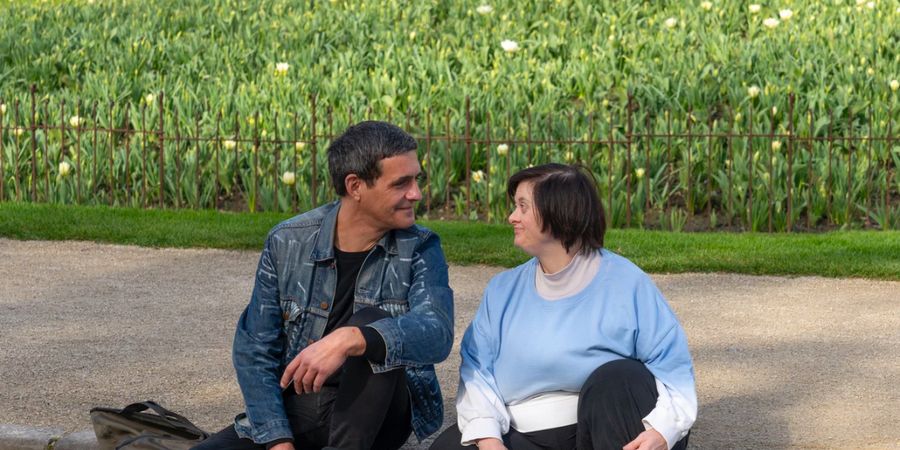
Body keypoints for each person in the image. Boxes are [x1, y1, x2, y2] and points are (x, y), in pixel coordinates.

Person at [193, 121, 454, 450]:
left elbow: (436, 332)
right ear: (355, 185)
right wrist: (277, 440)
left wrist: (353, 338)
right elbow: (255, 350)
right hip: (300, 410)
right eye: (401, 183)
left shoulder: (420, 247)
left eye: (416, 180)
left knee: (371, 321)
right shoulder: (287, 242)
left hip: (379, 415)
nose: (416, 193)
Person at [430, 163, 696, 450]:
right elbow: (477, 373)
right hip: (525, 434)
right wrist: (490, 440)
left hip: (612, 428)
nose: (511, 217)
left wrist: (663, 430)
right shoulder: (501, 290)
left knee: (619, 377)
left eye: (523, 207)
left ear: (559, 211)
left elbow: (674, 368)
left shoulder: (626, 282)